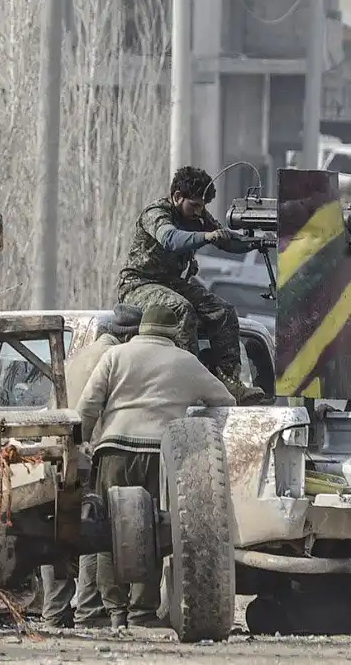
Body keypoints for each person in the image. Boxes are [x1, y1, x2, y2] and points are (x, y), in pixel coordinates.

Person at [76, 305, 238, 629]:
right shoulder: (186, 362)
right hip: (158, 455)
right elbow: (225, 401)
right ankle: (141, 612)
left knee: (108, 531)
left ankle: (115, 610)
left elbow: (88, 406)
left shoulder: (116, 355)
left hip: (113, 451)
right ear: (173, 332)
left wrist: (81, 444)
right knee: (149, 533)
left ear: (142, 329)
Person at [117, 166, 263, 402]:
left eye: (202, 206)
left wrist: (257, 242)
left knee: (223, 311)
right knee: (181, 310)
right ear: (177, 197)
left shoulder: (197, 216)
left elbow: (225, 241)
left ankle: (229, 382)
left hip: (171, 283)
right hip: (139, 283)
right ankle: (190, 382)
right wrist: (206, 236)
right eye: (194, 205)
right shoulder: (156, 214)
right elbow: (171, 239)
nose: (198, 211)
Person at [40, 304, 142, 629]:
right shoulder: (114, 359)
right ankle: (89, 610)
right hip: (80, 450)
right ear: (130, 337)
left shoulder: (82, 354)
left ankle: (55, 611)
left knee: (57, 527)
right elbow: (94, 411)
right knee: (92, 525)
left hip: (51, 447)